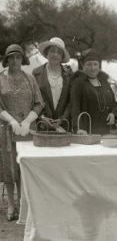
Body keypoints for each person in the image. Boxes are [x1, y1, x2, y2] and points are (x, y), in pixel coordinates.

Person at [0, 44, 44, 221]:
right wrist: (10, 119)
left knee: (25, 167)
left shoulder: (30, 78)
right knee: (9, 168)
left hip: (27, 130)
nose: (15, 61)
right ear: (7, 60)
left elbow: (39, 103)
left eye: (18, 57)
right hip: (7, 130)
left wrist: (27, 121)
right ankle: (11, 203)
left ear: (22, 60)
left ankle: (24, 202)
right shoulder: (0, 79)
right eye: (11, 58)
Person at [71, 49, 117, 135]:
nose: (93, 68)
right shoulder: (78, 83)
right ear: (83, 65)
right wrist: (78, 128)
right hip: (87, 131)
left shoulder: (104, 82)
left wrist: (113, 113)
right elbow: (75, 108)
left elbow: (113, 102)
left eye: (95, 64)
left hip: (106, 130)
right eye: (89, 64)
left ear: (99, 66)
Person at [33, 37, 73, 131]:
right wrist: (42, 117)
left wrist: (63, 119)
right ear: (47, 53)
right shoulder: (36, 73)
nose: (55, 54)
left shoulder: (69, 75)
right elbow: (33, 100)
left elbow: (71, 101)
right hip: (43, 125)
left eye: (59, 52)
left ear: (62, 57)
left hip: (63, 126)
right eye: (52, 51)